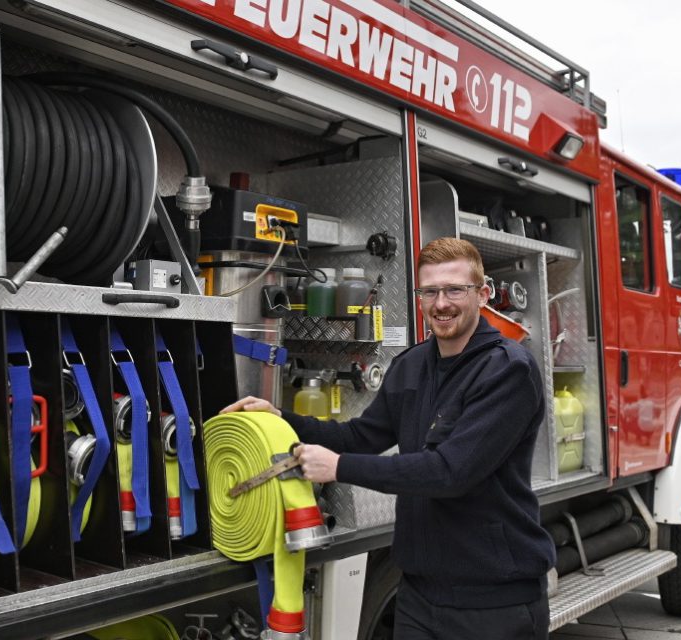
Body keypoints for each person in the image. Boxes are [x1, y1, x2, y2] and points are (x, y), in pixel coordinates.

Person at [223, 237, 555, 639]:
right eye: (429, 291)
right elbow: (360, 436)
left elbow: (449, 473)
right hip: (418, 593)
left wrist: (337, 468)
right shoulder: (411, 365)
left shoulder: (507, 370)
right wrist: (281, 419)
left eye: (455, 289)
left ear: (483, 294)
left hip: (492, 600)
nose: (441, 303)